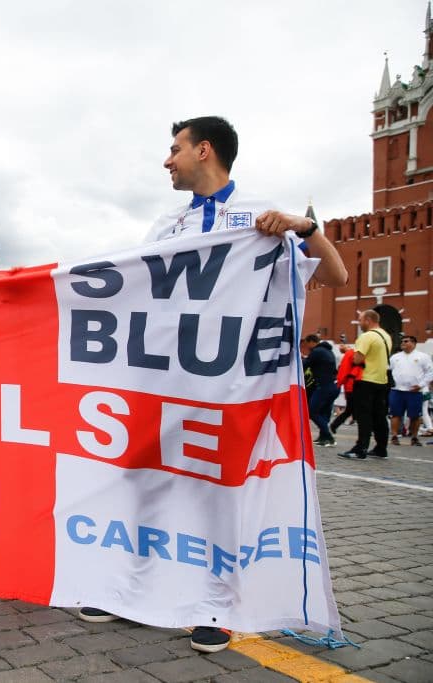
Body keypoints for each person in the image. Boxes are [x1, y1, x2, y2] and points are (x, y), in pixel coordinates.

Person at [78, 116, 348, 653]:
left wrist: (303, 227)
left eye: (173, 149)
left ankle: (217, 605)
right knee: (142, 484)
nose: (166, 160)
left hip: (231, 391)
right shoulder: (165, 224)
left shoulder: (261, 217)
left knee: (219, 496)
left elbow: (336, 276)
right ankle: (128, 588)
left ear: (204, 150)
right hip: (161, 384)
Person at [338, 310, 392, 460]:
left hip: (366, 380)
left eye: (360, 320)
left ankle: (360, 448)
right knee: (380, 416)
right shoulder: (385, 335)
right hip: (382, 381)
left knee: (364, 416)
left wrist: (348, 351)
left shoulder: (366, 336)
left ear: (368, 320)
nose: (359, 323)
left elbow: (357, 359)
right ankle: (381, 448)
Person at [387, 335, 433, 447]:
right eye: (402, 341)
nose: (403, 343)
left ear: (413, 343)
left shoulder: (423, 357)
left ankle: (414, 437)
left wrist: (421, 385)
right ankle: (394, 436)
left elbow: (430, 373)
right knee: (395, 414)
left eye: (406, 341)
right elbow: (388, 371)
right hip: (397, 390)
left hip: (415, 391)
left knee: (415, 416)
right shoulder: (395, 357)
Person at [302, 334, 338, 446]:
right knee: (323, 412)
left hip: (323, 386)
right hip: (333, 386)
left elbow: (305, 365)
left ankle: (328, 436)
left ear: (312, 341)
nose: (307, 347)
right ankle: (323, 436)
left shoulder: (317, 352)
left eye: (307, 344)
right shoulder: (329, 351)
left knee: (312, 411)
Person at [330, 344, 363, 435]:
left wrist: (341, 382)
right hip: (355, 385)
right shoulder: (353, 354)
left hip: (353, 385)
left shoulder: (351, 353)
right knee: (356, 409)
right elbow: (344, 370)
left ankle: (335, 424)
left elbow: (343, 370)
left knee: (351, 409)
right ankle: (335, 424)